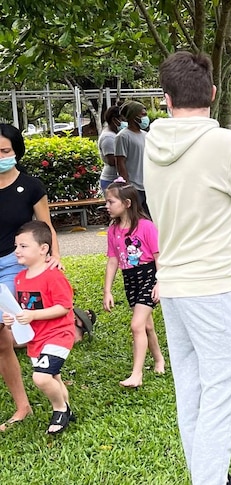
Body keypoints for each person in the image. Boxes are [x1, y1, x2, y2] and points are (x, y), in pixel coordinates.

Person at [143, 51, 231, 485]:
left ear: (165, 98)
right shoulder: (223, 143)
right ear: (214, 94)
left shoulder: (153, 143)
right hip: (216, 283)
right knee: (229, 381)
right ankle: (209, 478)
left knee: (195, 388)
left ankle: (209, 475)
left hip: (176, 286)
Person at [0, 123, 62, 432]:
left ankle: (66, 327)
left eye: (5, 151)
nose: (0, 156)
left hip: (15, 263)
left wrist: (54, 257)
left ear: (16, 152)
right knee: (3, 341)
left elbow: (46, 225)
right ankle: (21, 405)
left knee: (10, 333)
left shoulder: (31, 186)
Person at [2, 221, 75, 435]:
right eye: (16, 246)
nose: (17, 251)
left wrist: (33, 315)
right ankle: (67, 410)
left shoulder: (53, 276)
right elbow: (19, 310)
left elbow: (64, 306)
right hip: (37, 339)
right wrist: (11, 319)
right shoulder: (19, 278)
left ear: (43, 249)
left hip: (58, 335)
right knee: (54, 376)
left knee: (41, 377)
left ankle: (60, 409)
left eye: (23, 246)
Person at [102, 180, 166, 388]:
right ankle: (159, 359)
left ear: (127, 203)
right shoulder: (113, 230)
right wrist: (107, 291)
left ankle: (136, 375)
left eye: (111, 202)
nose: (107, 206)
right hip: (130, 278)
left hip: (148, 276)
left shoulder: (146, 227)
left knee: (136, 325)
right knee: (146, 325)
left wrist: (159, 282)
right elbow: (113, 260)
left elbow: (159, 257)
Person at [115, 100, 150, 213]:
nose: (145, 117)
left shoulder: (145, 135)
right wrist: (127, 185)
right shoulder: (123, 136)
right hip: (135, 187)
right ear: (133, 116)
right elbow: (120, 162)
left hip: (147, 186)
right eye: (142, 114)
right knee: (136, 218)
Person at [98, 106, 123, 193]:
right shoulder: (108, 137)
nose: (125, 122)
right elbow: (112, 161)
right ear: (114, 120)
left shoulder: (114, 134)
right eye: (122, 119)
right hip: (111, 180)